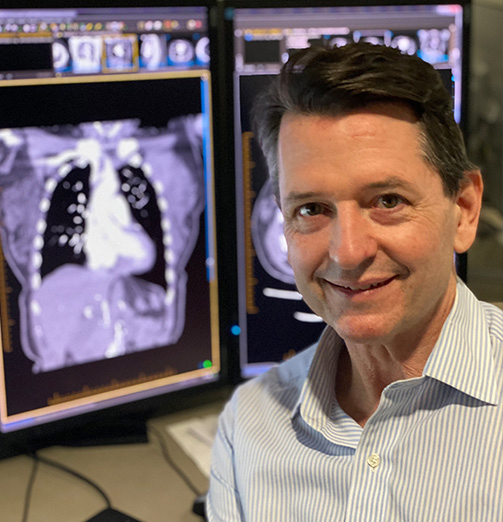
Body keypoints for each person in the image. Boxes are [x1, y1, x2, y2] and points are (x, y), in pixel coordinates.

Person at [207, 42, 503, 521]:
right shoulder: (250, 426)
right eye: (311, 209)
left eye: (387, 201)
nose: (347, 253)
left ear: (464, 211)